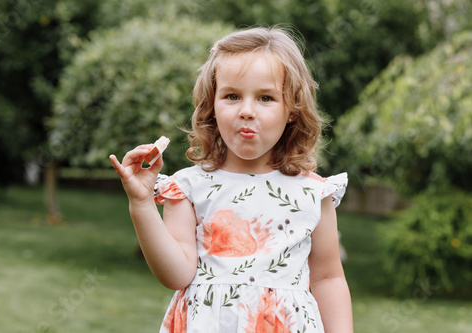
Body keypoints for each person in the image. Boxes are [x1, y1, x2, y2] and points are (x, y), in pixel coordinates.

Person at [110, 26, 353, 333]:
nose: (247, 111)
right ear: (212, 103)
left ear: (292, 109)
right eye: (232, 96)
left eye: (265, 97)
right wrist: (141, 203)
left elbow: (328, 278)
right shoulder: (189, 188)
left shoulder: (312, 193)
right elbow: (176, 275)